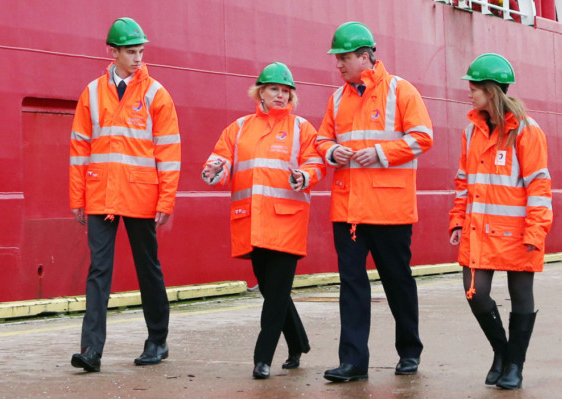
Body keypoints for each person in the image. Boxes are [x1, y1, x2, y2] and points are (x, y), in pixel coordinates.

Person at [316, 21, 434, 382]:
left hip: (389, 210)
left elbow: (422, 137)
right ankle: (353, 362)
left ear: (365, 57)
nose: (338, 64)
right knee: (352, 285)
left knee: (397, 281)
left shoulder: (401, 91)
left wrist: (380, 153)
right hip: (349, 210)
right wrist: (332, 151)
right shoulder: (337, 99)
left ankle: (409, 351)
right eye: (337, 58)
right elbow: (321, 141)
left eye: (344, 58)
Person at [69, 17, 181, 372]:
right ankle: (91, 351)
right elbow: (78, 149)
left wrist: (166, 201)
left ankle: (157, 341)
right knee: (98, 270)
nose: (138, 58)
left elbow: (169, 152)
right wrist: (77, 198)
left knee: (148, 269)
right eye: (131, 52)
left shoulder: (155, 94)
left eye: (140, 51)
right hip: (101, 193)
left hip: (140, 196)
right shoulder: (92, 93)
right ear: (112, 52)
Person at [201, 62, 325, 379]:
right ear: (261, 92)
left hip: (286, 222)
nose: (280, 96)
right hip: (252, 223)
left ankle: (262, 358)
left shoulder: (302, 129)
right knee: (273, 291)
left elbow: (316, 164)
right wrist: (214, 169)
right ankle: (298, 342)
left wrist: (304, 176)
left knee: (275, 293)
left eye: (286, 91)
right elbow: (222, 158)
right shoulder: (239, 128)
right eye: (274, 89)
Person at [448, 53, 553, 390]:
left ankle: (514, 367)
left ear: (491, 91)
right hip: (479, 230)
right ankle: (502, 352)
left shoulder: (526, 131)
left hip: (519, 232)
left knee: (521, 295)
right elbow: (463, 181)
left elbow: (538, 183)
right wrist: (456, 221)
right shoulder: (470, 132)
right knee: (474, 293)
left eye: (474, 87)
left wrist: (537, 230)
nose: (469, 93)